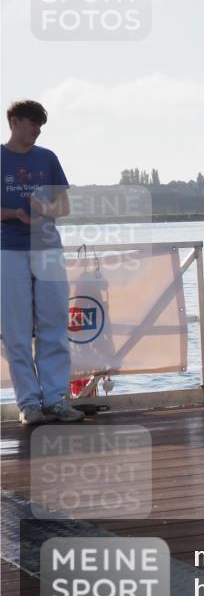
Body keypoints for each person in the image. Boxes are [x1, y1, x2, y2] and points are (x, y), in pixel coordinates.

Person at [1, 100, 84, 425]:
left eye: (40, 125)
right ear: (14, 122)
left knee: (53, 325)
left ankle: (55, 399)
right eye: (32, 123)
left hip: (47, 249)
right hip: (8, 250)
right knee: (16, 331)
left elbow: (63, 206)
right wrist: (15, 215)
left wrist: (44, 211)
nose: (36, 130)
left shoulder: (47, 158)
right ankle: (29, 404)